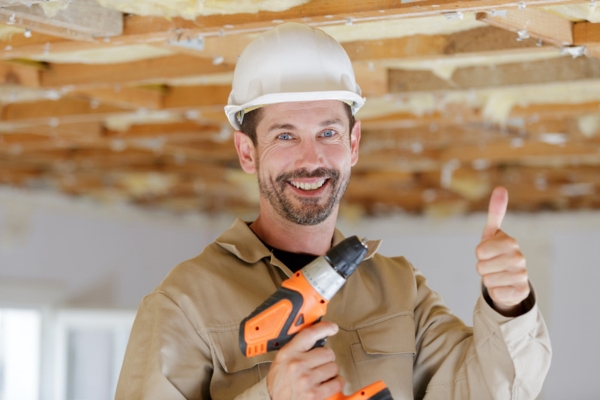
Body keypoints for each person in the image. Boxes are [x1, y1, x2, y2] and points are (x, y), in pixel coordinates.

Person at [115, 23, 551, 400]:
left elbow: (493, 390)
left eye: (328, 132)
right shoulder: (185, 301)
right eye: (285, 136)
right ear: (247, 152)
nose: (312, 159)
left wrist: (509, 304)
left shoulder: (399, 290)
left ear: (353, 144)